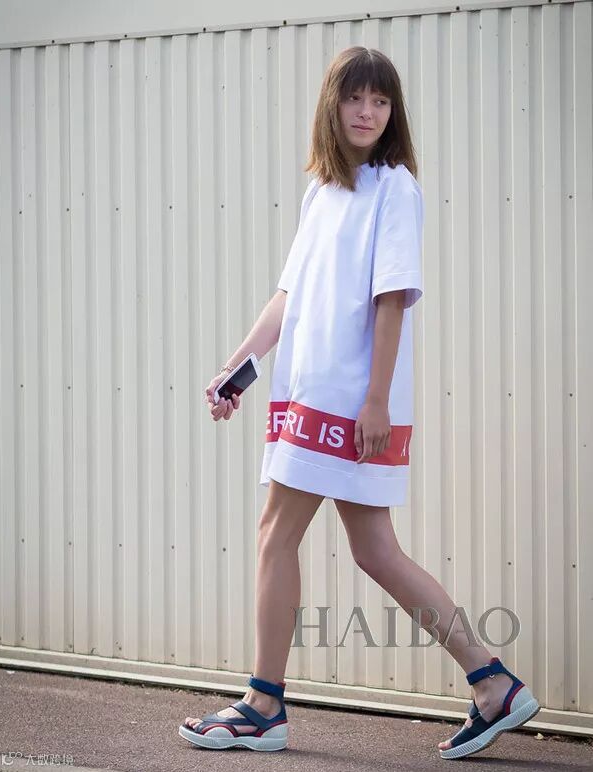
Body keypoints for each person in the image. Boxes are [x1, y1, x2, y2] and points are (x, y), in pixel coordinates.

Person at [179, 46, 540, 760]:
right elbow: (290, 295)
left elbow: (391, 298)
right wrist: (236, 369)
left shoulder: (394, 187)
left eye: (380, 100)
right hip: (313, 394)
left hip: (345, 402)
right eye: (354, 98)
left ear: (392, 111)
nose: (367, 112)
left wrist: (376, 401)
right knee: (375, 549)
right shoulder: (323, 190)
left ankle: (263, 705)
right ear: (332, 106)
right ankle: (491, 681)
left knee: (274, 536)